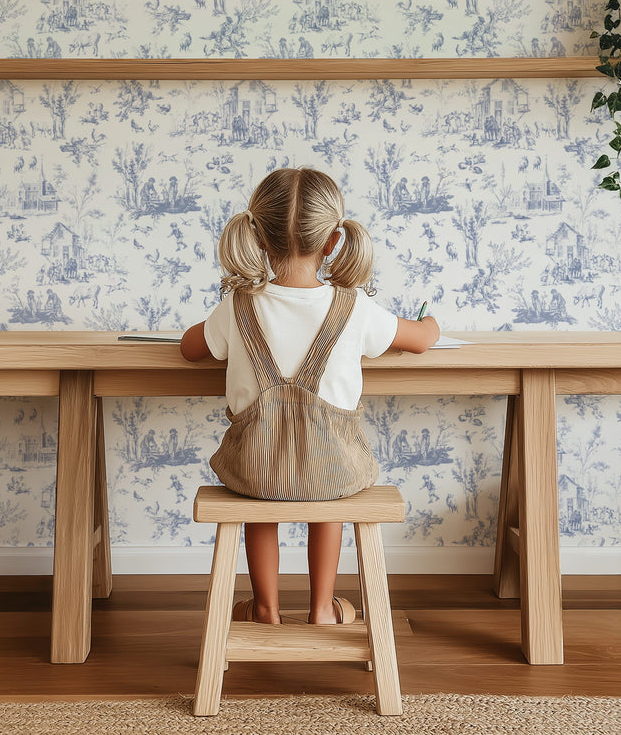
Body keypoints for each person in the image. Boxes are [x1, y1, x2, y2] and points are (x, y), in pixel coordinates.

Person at [181, 168, 439, 626]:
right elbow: (418, 340)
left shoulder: (238, 305)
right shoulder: (354, 306)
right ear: (334, 241)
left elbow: (190, 348)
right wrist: (432, 324)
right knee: (328, 484)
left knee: (261, 492)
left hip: (253, 472)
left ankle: (265, 608)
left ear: (258, 238)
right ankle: (322, 608)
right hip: (335, 472)